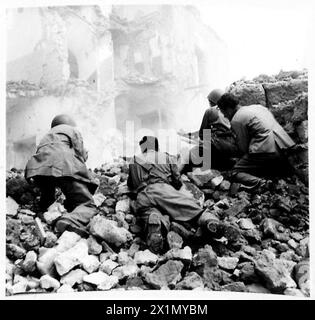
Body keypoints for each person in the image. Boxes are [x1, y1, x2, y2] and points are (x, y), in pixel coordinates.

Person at [127, 135, 241, 253]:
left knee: (148, 212)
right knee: (193, 210)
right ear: (157, 146)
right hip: (163, 190)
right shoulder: (166, 157)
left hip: (143, 196)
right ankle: (210, 222)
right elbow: (177, 179)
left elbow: (131, 184)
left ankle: (155, 223)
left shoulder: (134, 160)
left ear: (142, 148)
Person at [25, 114, 99, 237]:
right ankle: (68, 220)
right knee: (87, 205)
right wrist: (84, 157)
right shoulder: (72, 130)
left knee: (48, 197)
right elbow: (79, 153)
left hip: (39, 170)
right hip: (62, 164)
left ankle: (44, 213)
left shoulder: (46, 136)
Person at [217, 93, 296, 189]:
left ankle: (263, 184)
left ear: (229, 109)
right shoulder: (258, 107)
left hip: (266, 151)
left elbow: (243, 148)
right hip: (283, 146)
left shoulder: (236, 119)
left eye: (223, 112)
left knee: (234, 172)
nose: (225, 116)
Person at [180, 89, 239, 173]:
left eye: (210, 102)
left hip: (217, 148)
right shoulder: (234, 111)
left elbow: (202, 134)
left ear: (213, 101)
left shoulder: (210, 111)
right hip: (233, 149)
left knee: (187, 156)